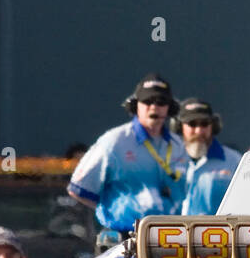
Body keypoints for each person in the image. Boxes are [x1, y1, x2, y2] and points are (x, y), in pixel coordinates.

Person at [67, 73, 187, 246]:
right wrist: (115, 210)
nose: (154, 107)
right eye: (147, 101)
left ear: (170, 108)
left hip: (171, 240)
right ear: (135, 105)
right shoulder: (114, 141)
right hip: (122, 239)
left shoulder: (178, 146)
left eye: (161, 102)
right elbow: (78, 188)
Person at [175, 98, 241, 216]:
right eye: (192, 124)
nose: (199, 131)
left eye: (204, 124)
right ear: (179, 127)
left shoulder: (234, 160)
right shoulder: (165, 158)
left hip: (215, 232)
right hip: (168, 232)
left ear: (214, 126)